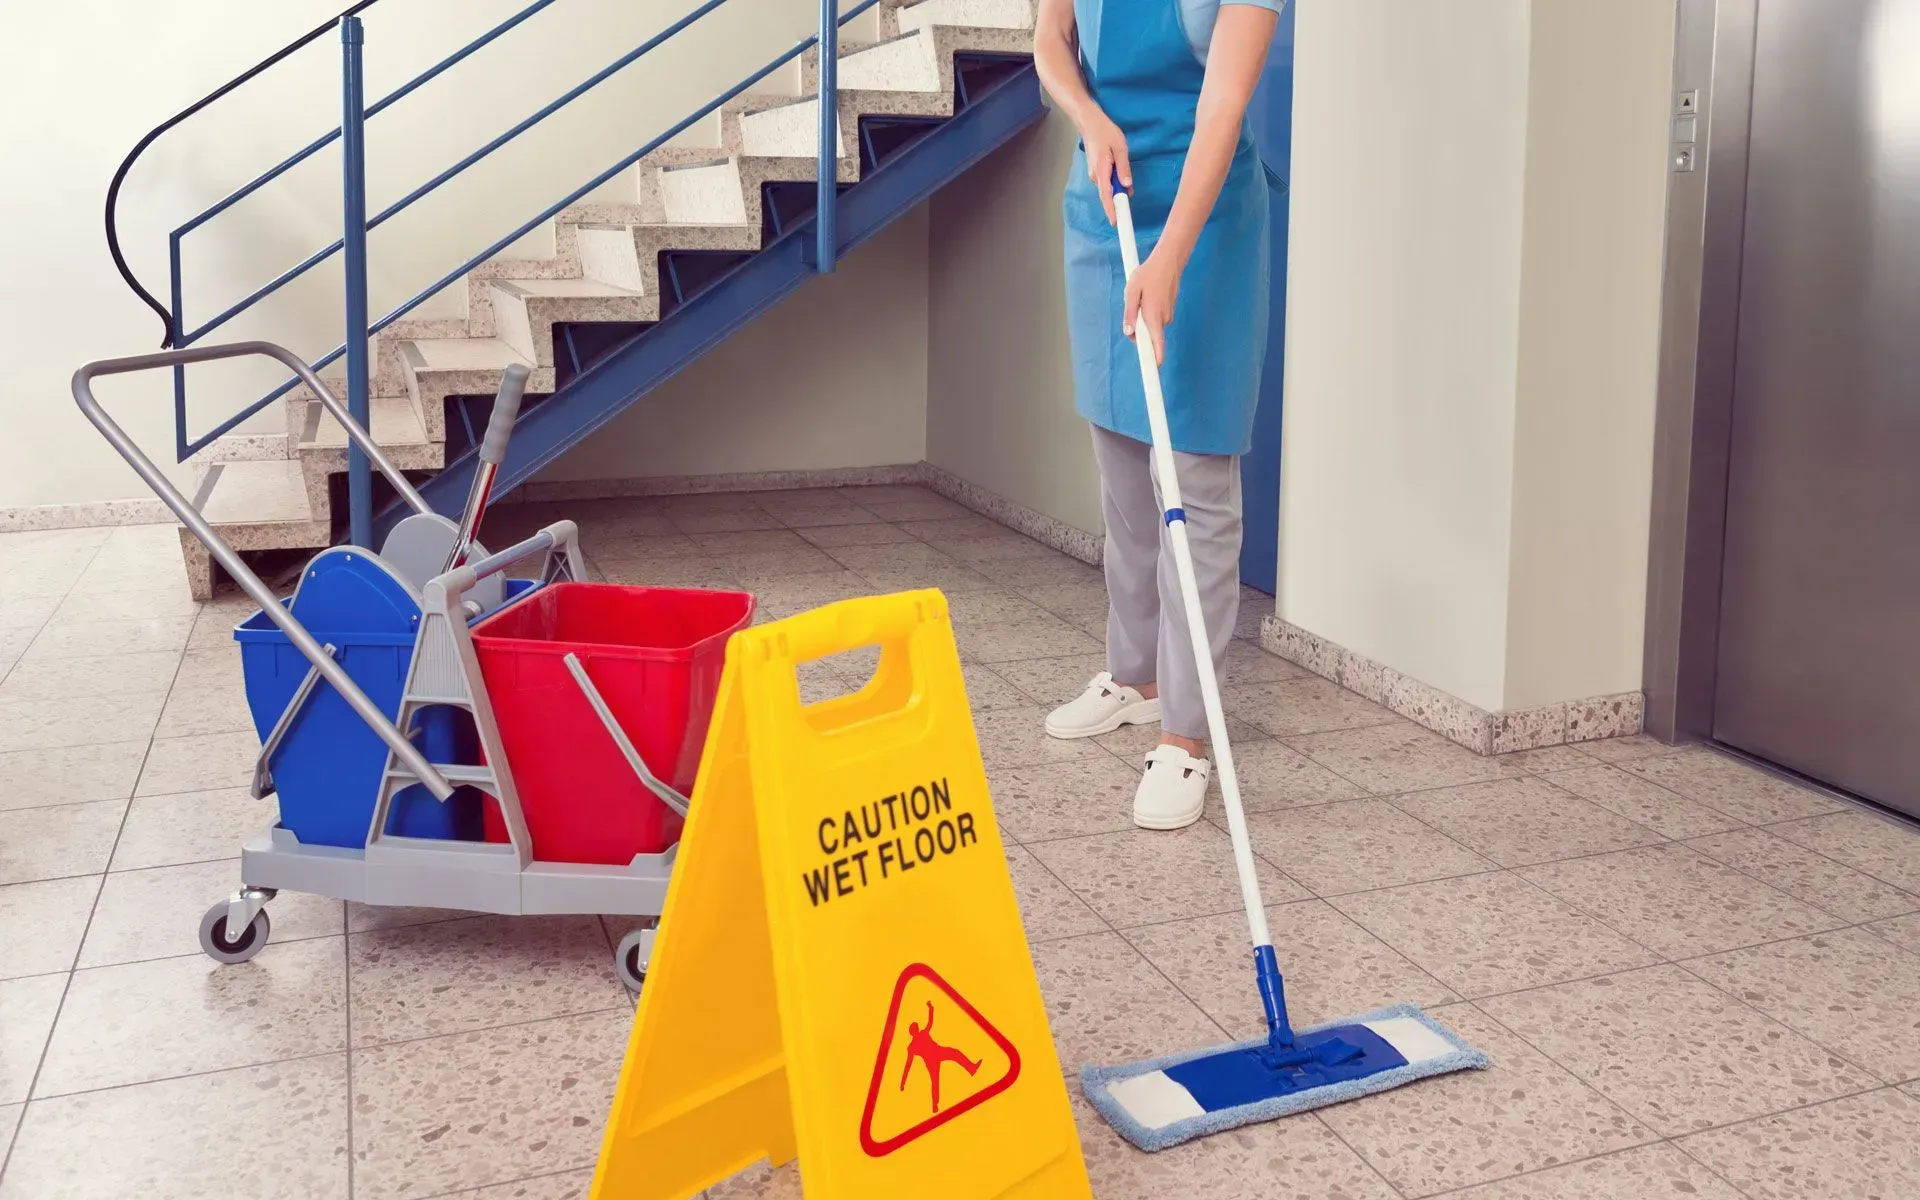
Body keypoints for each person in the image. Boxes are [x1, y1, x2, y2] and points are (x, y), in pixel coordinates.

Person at [1034, 0, 1281, 829]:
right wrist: (1089, 115)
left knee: (1196, 479)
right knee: (1119, 460)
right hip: (1106, 198)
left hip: (1202, 219)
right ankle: (1134, 677)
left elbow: (1222, 106)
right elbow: (1051, 40)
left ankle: (1186, 736)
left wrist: (1173, 256)